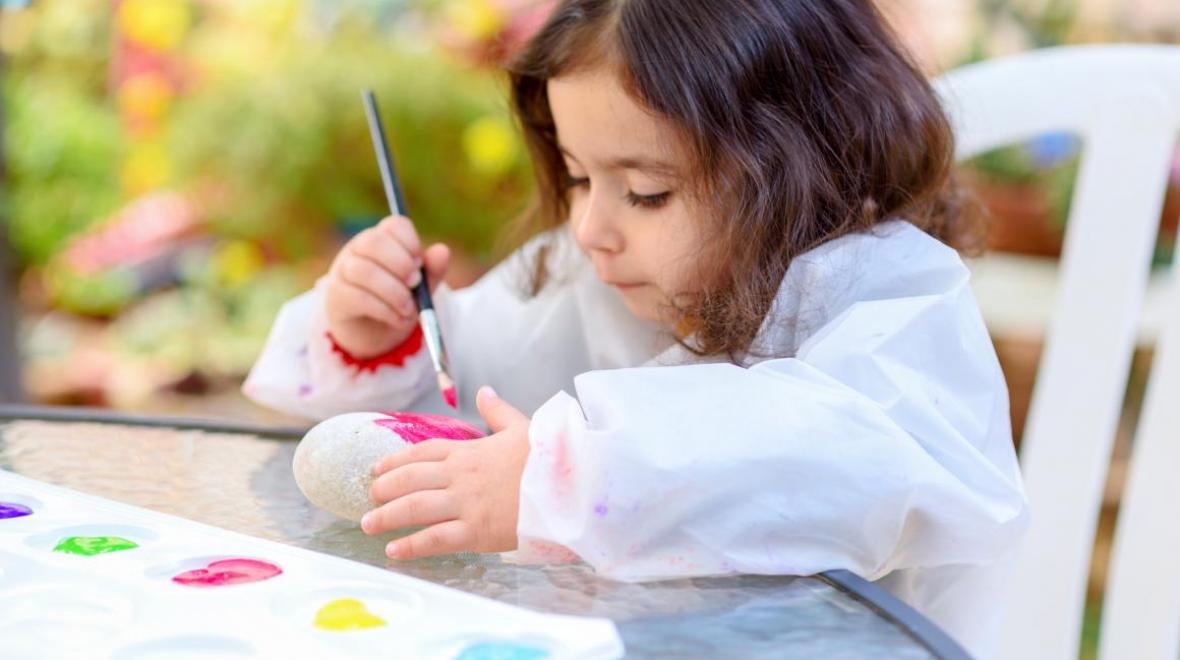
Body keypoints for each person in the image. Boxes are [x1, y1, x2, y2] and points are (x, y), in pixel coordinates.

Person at [244, 1, 1028, 654]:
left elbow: (853, 462)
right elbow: (455, 402)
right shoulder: (591, 273)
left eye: (647, 191)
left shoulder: (888, 293)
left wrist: (573, 473)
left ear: (799, 165)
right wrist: (374, 334)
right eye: (580, 177)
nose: (590, 227)